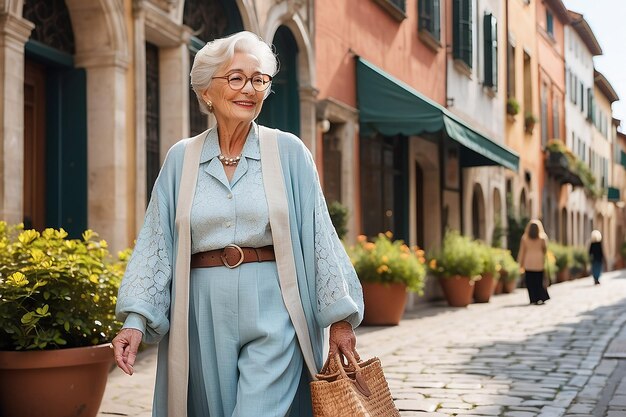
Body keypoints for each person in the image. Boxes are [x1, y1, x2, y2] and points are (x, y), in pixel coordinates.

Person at [111, 31, 364, 417]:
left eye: (259, 79)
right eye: (236, 78)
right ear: (207, 90)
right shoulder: (182, 158)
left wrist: (340, 321)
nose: (249, 89)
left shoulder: (289, 152)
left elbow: (320, 238)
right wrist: (135, 320)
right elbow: (155, 242)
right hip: (200, 309)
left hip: (276, 303)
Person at [517, 219, 550, 305]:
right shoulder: (542, 237)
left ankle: (533, 298)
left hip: (528, 262)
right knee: (539, 281)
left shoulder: (525, 238)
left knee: (530, 282)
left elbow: (522, 252)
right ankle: (540, 297)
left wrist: (520, 264)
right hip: (539, 262)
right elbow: (545, 249)